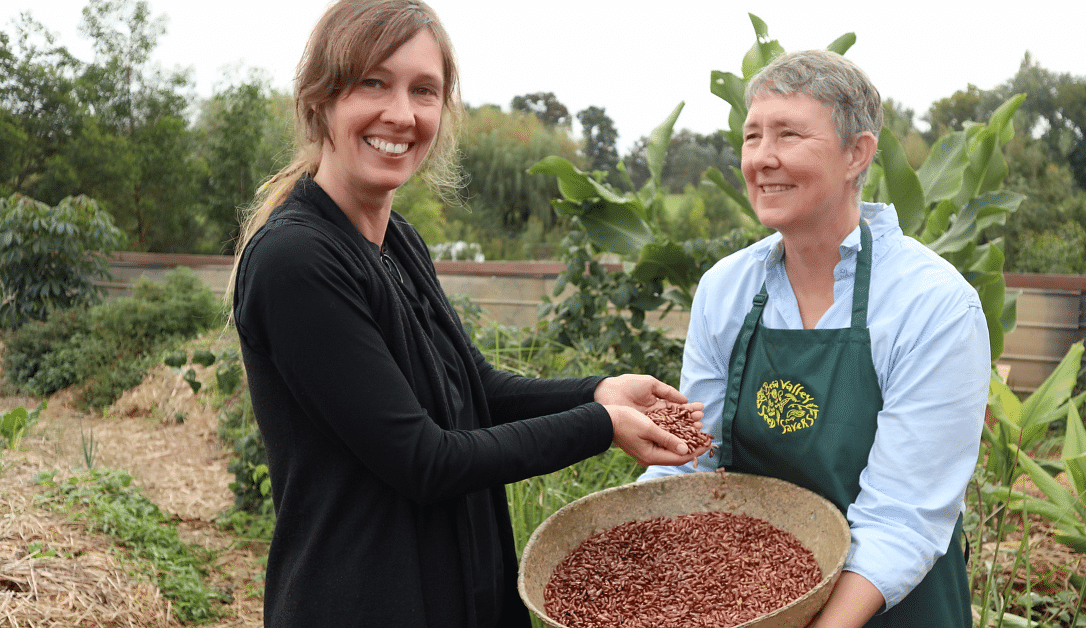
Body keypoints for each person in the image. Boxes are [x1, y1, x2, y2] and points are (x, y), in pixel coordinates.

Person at [230, 2, 704, 626]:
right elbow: (424, 461)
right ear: (320, 99)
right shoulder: (297, 261)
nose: (401, 114)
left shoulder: (394, 237)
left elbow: (471, 387)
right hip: (365, 601)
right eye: (374, 82)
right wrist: (599, 425)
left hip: (455, 594)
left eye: (423, 90)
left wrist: (598, 390)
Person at [640, 49, 990, 627]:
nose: (762, 158)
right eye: (752, 136)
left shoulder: (933, 304)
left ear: (858, 153)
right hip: (753, 602)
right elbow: (690, 457)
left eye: (789, 134)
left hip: (891, 606)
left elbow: (902, 517)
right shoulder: (725, 289)